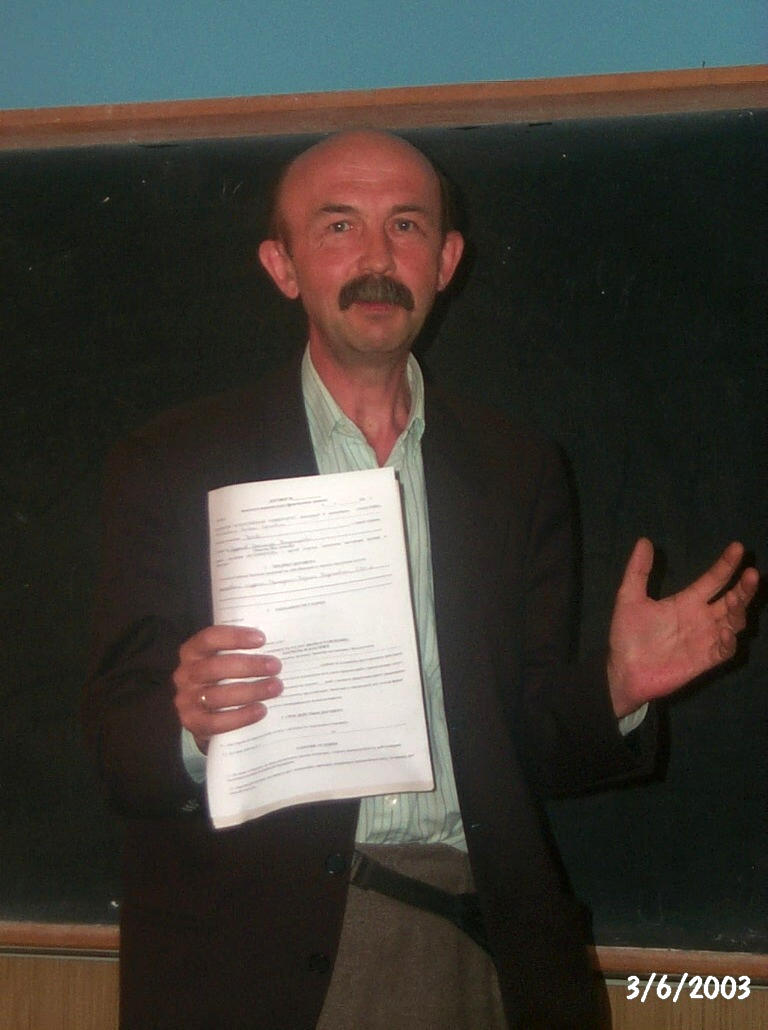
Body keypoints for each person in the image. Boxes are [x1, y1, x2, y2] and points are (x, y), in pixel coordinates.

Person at [83, 130, 758, 1029]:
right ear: (282, 267)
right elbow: (115, 743)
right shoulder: (172, 463)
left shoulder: (516, 469)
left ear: (445, 261)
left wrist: (618, 688)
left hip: (480, 944)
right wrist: (190, 724)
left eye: (406, 226)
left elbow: (524, 744)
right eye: (339, 227)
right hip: (256, 963)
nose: (377, 258)